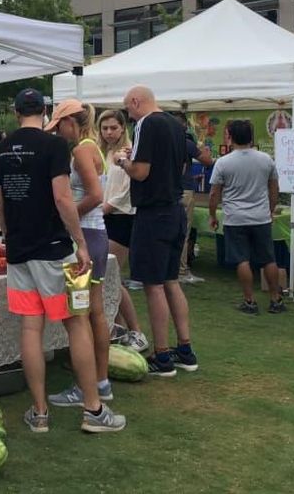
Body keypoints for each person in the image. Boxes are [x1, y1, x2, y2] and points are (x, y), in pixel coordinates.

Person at [0, 88, 125, 434]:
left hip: (20, 251)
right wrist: (80, 242)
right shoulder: (54, 147)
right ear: (44, 110)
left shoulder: (2, 149)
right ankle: (93, 411)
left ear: (16, 110)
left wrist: (8, 233)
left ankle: (39, 413)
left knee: (31, 328)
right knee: (76, 322)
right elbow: (63, 199)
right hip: (53, 248)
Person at [114, 85, 197, 377]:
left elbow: (141, 172)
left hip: (154, 211)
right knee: (171, 280)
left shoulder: (146, 123)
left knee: (153, 284)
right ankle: (184, 349)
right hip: (174, 208)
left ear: (137, 102)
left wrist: (123, 161)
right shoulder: (176, 125)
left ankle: (162, 355)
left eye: (128, 108)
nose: (129, 113)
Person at [44, 100, 114, 407]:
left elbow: (95, 196)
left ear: (71, 122)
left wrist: (66, 216)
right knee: (94, 313)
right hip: (96, 235)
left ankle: (86, 386)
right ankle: (101, 381)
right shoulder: (93, 147)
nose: (59, 132)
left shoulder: (81, 150)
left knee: (81, 315)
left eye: (59, 125)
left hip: (86, 236)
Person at [208, 119, 287, 315]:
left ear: (230, 137)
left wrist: (212, 214)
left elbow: (214, 193)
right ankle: (276, 299)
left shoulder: (223, 162)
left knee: (241, 259)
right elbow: (274, 188)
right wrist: (270, 208)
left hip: (235, 218)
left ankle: (249, 300)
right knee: (269, 259)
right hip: (260, 216)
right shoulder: (266, 159)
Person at [97, 109, 148, 353]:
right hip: (102, 218)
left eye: (113, 128)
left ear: (122, 127)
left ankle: (136, 330)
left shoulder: (130, 151)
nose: (108, 133)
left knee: (112, 277)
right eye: (104, 128)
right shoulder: (102, 152)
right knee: (103, 278)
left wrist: (102, 209)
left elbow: (126, 191)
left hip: (121, 219)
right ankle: (116, 327)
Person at [178, 117, 214, 284]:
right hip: (183, 190)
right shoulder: (186, 142)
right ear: (184, 126)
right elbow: (207, 161)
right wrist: (204, 151)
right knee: (182, 232)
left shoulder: (159, 141)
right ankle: (182, 271)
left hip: (164, 190)